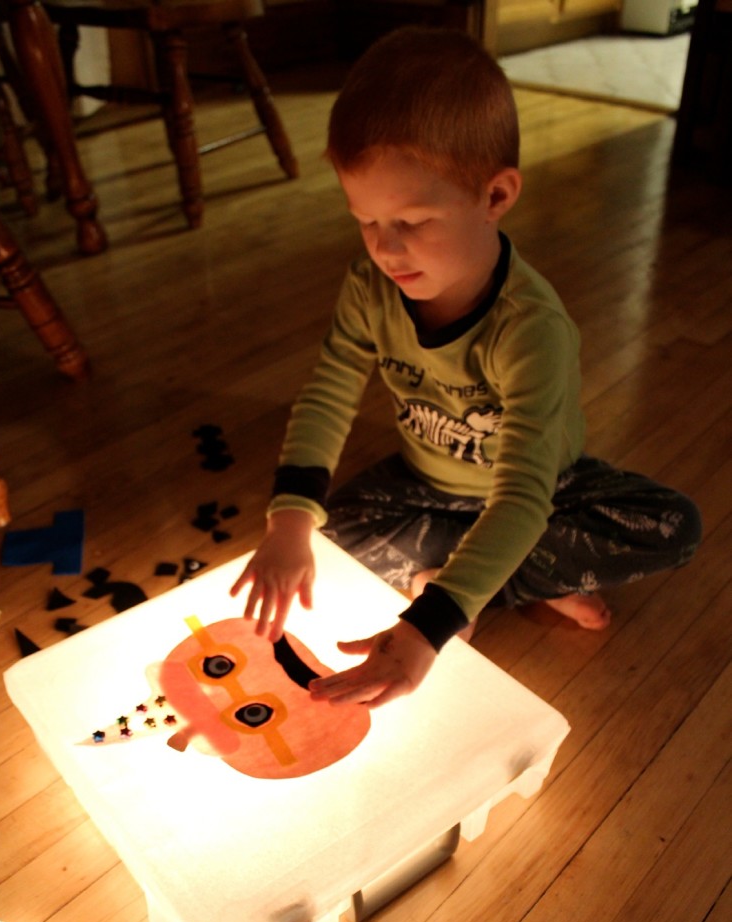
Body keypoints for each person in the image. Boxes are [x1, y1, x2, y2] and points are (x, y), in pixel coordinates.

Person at [231, 27, 701, 709]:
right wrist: (288, 524)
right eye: (365, 220)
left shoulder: (531, 328)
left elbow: (521, 497)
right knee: (323, 539)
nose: (386, 249)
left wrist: (426, 631)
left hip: (543, 493)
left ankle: (467, 586)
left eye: (414, 220)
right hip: (427, 487)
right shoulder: (370, 286)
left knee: (672, 526)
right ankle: (497, 580)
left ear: (496, 196)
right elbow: (328, 394)